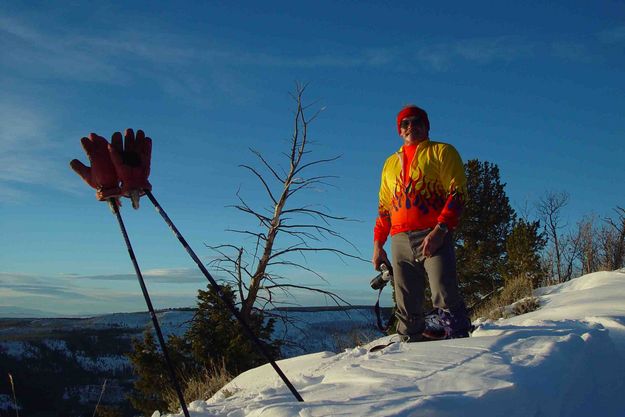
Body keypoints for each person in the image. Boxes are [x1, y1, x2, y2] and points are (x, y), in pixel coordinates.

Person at [372, 105, 471, 341]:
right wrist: (378, 244)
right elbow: (384, 208)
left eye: (416, 121)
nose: (410, 127)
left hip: (433, 233)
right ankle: (409, 346)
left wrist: (441, 229)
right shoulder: (389, 164)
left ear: (426, 126)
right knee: (406, 302)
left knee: (444, 292)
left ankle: (459, 340)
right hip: (399, 238)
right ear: (399, 130)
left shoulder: (442, 152)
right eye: (404, 123)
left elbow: (458, 193)